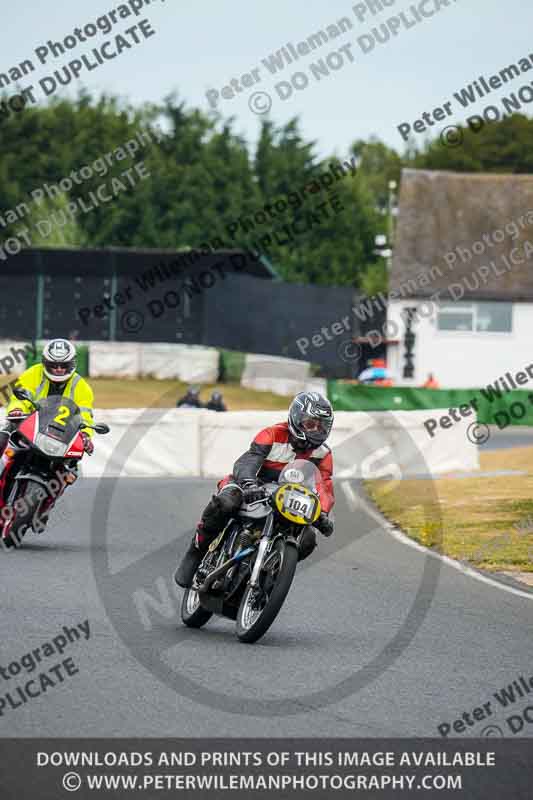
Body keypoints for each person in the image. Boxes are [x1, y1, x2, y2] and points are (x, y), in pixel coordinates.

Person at [175, 391, 335, 588]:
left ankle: (272, 571)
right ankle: (196, 551)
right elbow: (247, 462)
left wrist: (323, 513)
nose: (315, 430)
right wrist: (250, 484)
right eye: (311, 423)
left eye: (321, 426)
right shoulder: (272, 434)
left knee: (309, 538)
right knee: (226, 503)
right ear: (296, 418)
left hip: (286, 498)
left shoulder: (324, 454)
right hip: (249, 483)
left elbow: (324, 487)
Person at [0, 339, 95, 461]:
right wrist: (17, 410)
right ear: (45, 363)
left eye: (64, 365)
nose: (59, 369)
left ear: (72, 364)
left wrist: (86, 435)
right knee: (5, 433)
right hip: (27, 423)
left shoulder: (82, 386)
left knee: (72, 464)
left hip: (62, 432)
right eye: (54, 365)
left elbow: (85, 415)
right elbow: (19, 397)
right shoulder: (33, 373)